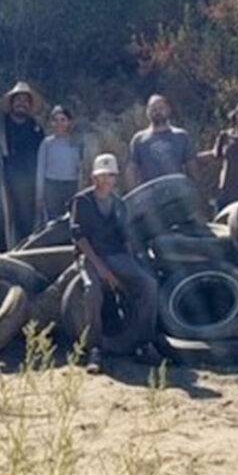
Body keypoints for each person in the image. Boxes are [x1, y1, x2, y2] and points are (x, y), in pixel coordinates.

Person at [70, 153, 159, 374]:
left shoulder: (119, 204)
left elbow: (125, 237)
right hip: (90, 255)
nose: (107, 180)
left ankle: (142, 343)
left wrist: (130, 268)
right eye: (102, 175)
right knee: (93, 291)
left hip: (115, 254)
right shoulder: (82, 201)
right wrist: (101, 269)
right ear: (94, 177)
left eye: (111, 175)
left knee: (148, 285)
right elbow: (79, 237)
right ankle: (94, 349)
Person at [0, 81, 45, 251]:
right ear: (11, 103)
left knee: (26, 225)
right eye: (18, 100)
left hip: (27, 185)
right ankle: (0, 260)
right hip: (3, 181)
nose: (21, 104)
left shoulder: (36, 128)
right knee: (3, 224)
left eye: (25, 101)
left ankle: (24, 259)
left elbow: (41, 157)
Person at [127, 94, 196, 189]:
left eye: (160, 108)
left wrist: (195, 189)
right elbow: (131, 170)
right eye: (153, 109)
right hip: (151, 195)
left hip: (178, 192)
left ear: (168, 110)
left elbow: (192, 166)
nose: (157, 112)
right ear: (147, 112)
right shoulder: (139, 140)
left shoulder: (181, 136)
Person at [36, 105, 85, 222]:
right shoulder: (47, 144)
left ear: (69, 122)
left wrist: (81, 189)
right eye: (55, 120)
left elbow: (81, 169)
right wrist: (39, 195)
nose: (59, 123)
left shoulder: (76, 143)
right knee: (53, 222)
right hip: (52, 186)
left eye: (63, 120)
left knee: (72, 220)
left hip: (71, 186)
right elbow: (40, 169)